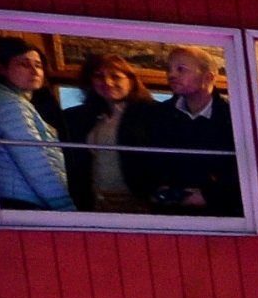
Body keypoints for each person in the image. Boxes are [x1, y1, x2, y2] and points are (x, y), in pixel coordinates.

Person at [131, 46, 241, 217]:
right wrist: (154, 189)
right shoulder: (156, 116)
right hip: (167, 215)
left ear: (208, 77)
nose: (171, 75)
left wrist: (209, 195)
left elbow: (245, 171)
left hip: (221, 217)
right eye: (170, 69)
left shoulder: (235, 119)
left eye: (181, 69)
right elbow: (142, 161)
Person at [0, 40, 70, 210]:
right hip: (22, 200)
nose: (35, 71)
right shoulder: (8, 103)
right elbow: (35, 160)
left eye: (38, 65)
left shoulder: (5, 99)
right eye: (23, 64)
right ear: (1, 68)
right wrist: (65, 207)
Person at [59, 51, 142, 210]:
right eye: (99, 76)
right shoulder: (81, 117)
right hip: (96, 202)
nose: (107, 82)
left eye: (116, 76)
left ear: (130, 81)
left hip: (137, 204)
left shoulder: (149, 113)